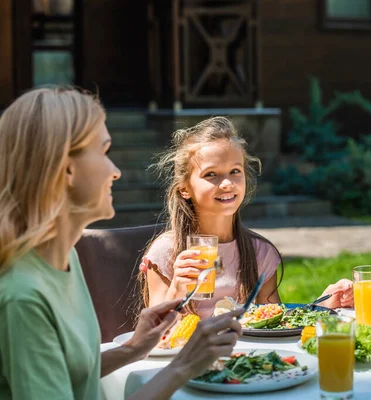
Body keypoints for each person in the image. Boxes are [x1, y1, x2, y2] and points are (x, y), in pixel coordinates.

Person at [0, 87, 243, 399]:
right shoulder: (24, 298)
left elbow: (68, 372)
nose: (115, 172)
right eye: (104, 152)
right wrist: (182, 366)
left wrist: (134, 348)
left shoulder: (61, 260)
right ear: (67, 169)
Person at [139, 117, 353, 319]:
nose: (227, 183)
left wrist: (320, 307)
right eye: (211, 174)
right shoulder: (167, 252)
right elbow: (153, 337)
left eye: (234, 171)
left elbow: (273, 323)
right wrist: (177, 289)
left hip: (244, 356)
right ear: (185, 189)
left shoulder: (260, 252)